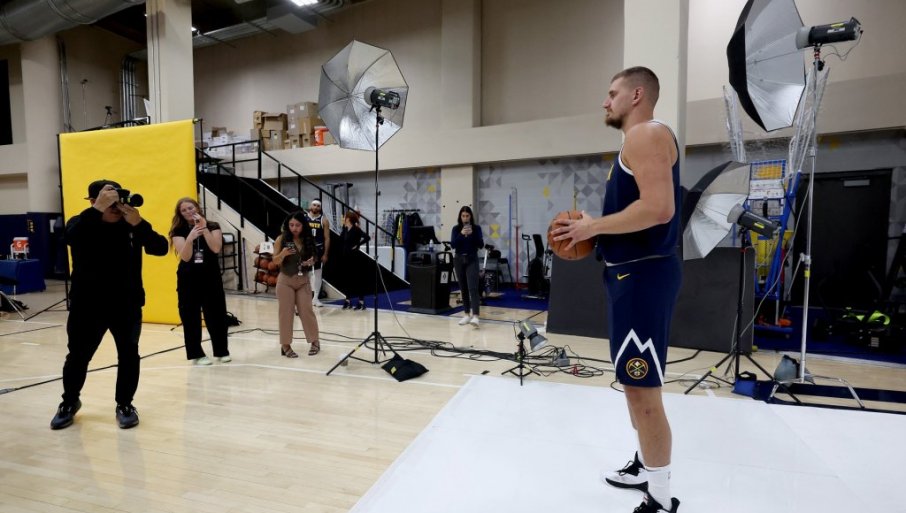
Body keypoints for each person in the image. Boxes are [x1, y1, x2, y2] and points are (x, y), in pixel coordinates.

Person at [552, 67, 682, 513]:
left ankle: (660, 497)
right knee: (632, 382)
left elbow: (659, 209)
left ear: (637, 94)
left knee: (642, 390)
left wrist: (593, 227)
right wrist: (597, 227)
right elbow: (642, 210)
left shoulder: (645, 135)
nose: (605, 102)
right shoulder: (637, 141)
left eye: (612, 93)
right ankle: (646, 464)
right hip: (631, 275)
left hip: (642, 277)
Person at [50, 179, 169, 430]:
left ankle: (125, 404)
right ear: (94, 202)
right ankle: (69, 402)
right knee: (78, 356)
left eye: (117, 201)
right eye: (108, 202)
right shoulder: (81, 222)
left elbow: (160, 248)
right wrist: (96, 210)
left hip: (126, 305)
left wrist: (139, 223)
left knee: (129, 355)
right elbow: (70, 238)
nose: (115, 207)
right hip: (87, 306)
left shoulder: (130, 225)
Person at [168, 198, 231, 366]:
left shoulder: (213, 226)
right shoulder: (178, 230)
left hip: (211, 275)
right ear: (180, 214)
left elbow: (216, 248)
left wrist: (203, 229)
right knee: (190, 316)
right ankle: (196, 354)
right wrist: (190, 238)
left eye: (190, 208)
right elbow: (186, 256)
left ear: (197, 207)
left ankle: (221, 351)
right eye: (184, 210)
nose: (188, 212)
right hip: (188, 278)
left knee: (217, 314)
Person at [272, 211, 321, 357]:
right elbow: (275, 261)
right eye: (291, 225)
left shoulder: (308, 239)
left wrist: (311, 261)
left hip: (303, 280)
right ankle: (285, 345)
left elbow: (315, 257)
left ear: (303, 225)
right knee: (286, 314)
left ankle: (315, 341)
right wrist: (283, 254)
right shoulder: (281, 239)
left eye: (297, 225)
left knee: (307, 311)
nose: (294, 228)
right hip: (285, 280)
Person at [450, 205, 484, 328]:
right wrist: (461, 234)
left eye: (467, 216)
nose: (465, 218)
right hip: (459, 259)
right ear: (460, 217)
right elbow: (453, 245)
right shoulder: (455, 229)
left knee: (473, 288)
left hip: (472, 259)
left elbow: (481, 244)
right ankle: (466, 314)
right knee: (463, 288)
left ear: (470, 217)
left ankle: (476, 316)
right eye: (463, 216)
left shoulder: (476, 228)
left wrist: (472, 234)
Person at [338, 210, 371, 310]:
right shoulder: (345, 229)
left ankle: (361, 301)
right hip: (346, 257)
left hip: (355, 257)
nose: (344, 219)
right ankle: (348, 300)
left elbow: (367, 237)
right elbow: (341, 240)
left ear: (348, 219)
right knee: (347, 279)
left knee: (357, 279)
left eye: (345, 217)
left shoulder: (356, 229)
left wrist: (358, 245)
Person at [305, 199, 330, 307]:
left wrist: (325, 254)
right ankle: (305, 297)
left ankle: (315, 299)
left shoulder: (323, 220)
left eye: (318, 206)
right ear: (311, 206)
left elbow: (327, 238)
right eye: (314, 205)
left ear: (320, 208)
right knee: (305, 274)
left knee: (318, 273)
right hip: (306, 249)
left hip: (318, 249)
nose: (315, 207)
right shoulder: (304, 218)